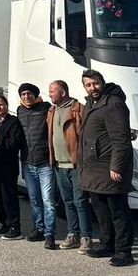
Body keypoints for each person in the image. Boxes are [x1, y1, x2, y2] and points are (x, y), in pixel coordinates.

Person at [78, 69, 135, 267]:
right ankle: (107, 244)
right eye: (88, 85)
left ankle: (124, 252)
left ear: (102, 82)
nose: (92, 88)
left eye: (95, 83)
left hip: (109, 169)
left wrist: (116, 167)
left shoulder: (113, 103)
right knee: (101, 212)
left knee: (118, 213)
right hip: (94, 169)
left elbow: (121, 139)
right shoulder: (91, 103)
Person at [47, 80, 92, 253]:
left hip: (76, 166)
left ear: (63, 92)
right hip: (59, 165)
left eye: (52, 91)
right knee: (67, 202)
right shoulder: (52, 111)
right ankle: (73, 234)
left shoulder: (78, 109)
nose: (50, 94)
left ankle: (86, 237)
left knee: (81, 202)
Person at [17, 82, 56, 250]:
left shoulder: (46, 108)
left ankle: (50, 234)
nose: (26, 97)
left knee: (48, 200)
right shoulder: (20, 111)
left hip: (44, 163)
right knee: (34, 199)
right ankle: (39, 228)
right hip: (27, 162)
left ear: (35, 94)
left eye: (29, 94)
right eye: (23, 94)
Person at [0, 94, 27, 240]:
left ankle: (14, 227)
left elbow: (14, 143)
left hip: (8, 166)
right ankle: (4, 223)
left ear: (6, 105)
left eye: (1, 104)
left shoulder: (13, 122)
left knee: (8, 196)